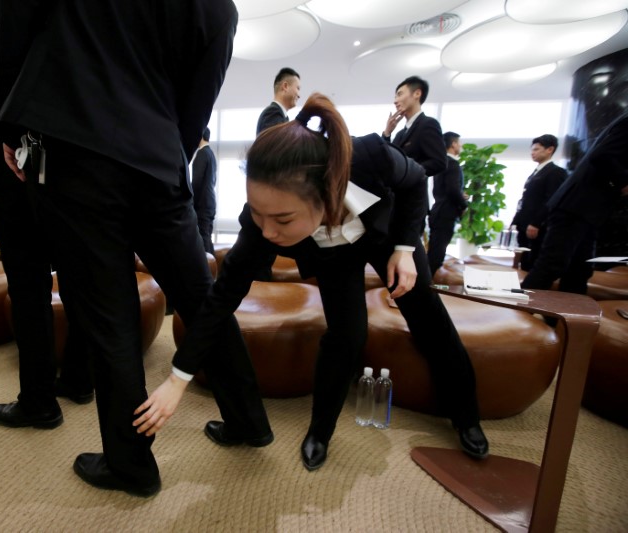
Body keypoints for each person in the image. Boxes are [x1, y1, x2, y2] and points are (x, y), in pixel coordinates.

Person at [0, 0, 271, 498]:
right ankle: (249, 421)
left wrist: (13, 126)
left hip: (75, 141)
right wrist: (166, 157)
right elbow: (199, 100)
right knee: (201, 296)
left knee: (109, 315)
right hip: (160, 159)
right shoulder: (219, 8)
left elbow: (15, 26)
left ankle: (131, 465)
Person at [135, 93, 489, 472]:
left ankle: (466, 417)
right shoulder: (261, 227)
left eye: (283, 220)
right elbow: (220, 299)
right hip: (335, 256)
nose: (268, 231)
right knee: (346, 336)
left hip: (387, 239)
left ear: (324, 194)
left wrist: (405, 247)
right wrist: (177, 378)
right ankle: (320, 432)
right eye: (258, 214)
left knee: (429, 320)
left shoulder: (370, 155)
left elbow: (416, 180)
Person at [0, 0, 93, 431]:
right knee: (79, 275)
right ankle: (79, 377)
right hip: (79, 151)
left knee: (28, 284)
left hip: (13, 152)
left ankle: (38, 399)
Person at [522, 110, 628, 293]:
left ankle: (562, 317)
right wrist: (624, 182)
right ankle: (516, 313)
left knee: (579, 270)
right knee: (553, 264)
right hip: (577, 205)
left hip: (587, 207)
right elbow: (602, 156)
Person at [382, 76, 446, 236]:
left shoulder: (428, 124)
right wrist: (387, 133)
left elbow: (439, 162)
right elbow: (387, 162)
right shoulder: (400, 134)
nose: (396, 100)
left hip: (412, 205)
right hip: (394, 205)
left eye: (400, 94)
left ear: (417, 93)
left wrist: (409, 173)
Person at [510, 134, 567, 271]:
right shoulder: (536, 172)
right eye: (532, 149)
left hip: (537, 228)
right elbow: (526, 199)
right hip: (524, 226)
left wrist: (536, 223)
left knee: (533, 263)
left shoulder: (555, 172)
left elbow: (551, 200)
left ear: (549, 150)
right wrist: (516, 221)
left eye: (536, 149)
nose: (532, 153)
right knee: (524, 263)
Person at [427, 131, 468, 275]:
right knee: (437, 255)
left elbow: (442, 190)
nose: (460, 146)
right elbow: (452, 189)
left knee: (434, 251)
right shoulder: (453, 164)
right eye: (459, 143)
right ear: (454, 144)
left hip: (437, 210)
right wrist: (463, 204)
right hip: (446, 213)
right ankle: (425, 287)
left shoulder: (440, 164)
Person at [191, 127, 217, 254]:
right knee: (207, 236)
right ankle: (214, 271)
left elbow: (196, 182)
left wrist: (189, 200)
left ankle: (208, 271)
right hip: (210, 202)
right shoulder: (211, 154)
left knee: (203, 237)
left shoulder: (201, 154)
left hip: (202, 203)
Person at [256, 67, 301, 136]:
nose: (299, 95)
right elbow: (279, 144)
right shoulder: (272, 113)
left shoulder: (282, 116)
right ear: (285, 86)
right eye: (297, 88)